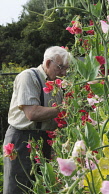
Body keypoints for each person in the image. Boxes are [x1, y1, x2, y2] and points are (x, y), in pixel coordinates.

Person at [3, 46, 70, 194]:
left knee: (41, 187)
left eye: (66, 69)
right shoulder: (29, 76)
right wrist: (66, 109)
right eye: (60, 68)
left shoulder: (56, 84)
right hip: (22, 138)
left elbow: (57, 117)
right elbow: (32, 113)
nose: (63, 73)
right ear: (47, 63)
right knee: (18, 186)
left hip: (45, 137)